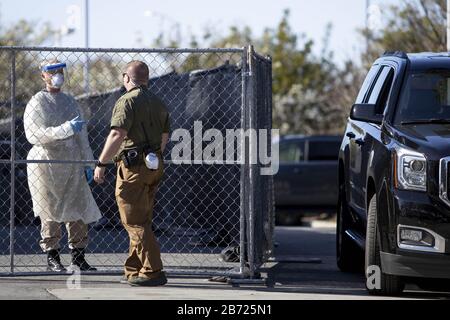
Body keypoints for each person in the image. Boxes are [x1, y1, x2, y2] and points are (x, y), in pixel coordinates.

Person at [94, 60, 170, 287]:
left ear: (126, 77)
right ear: (146, 79)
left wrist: (101, 163)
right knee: (142, 219)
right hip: (153, 166)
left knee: (134, 221)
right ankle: (135, 270)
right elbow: (164, 139)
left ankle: (153, 271)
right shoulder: (159, 103)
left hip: (132, 168)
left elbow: (117, 134)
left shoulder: (126, 101)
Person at [24, 59, 101, 272]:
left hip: (71, 162)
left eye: (60, 71)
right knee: (50, 210)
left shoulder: (70, 102)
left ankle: (78, 257)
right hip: (46, 164)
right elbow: (35, 134)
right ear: (43, 76)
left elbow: (81, 136)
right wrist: (65, 129)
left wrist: (88, 163)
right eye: (52, 72)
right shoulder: (37, 102)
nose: (58, 75)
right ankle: (52, 257)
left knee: (77, 210)